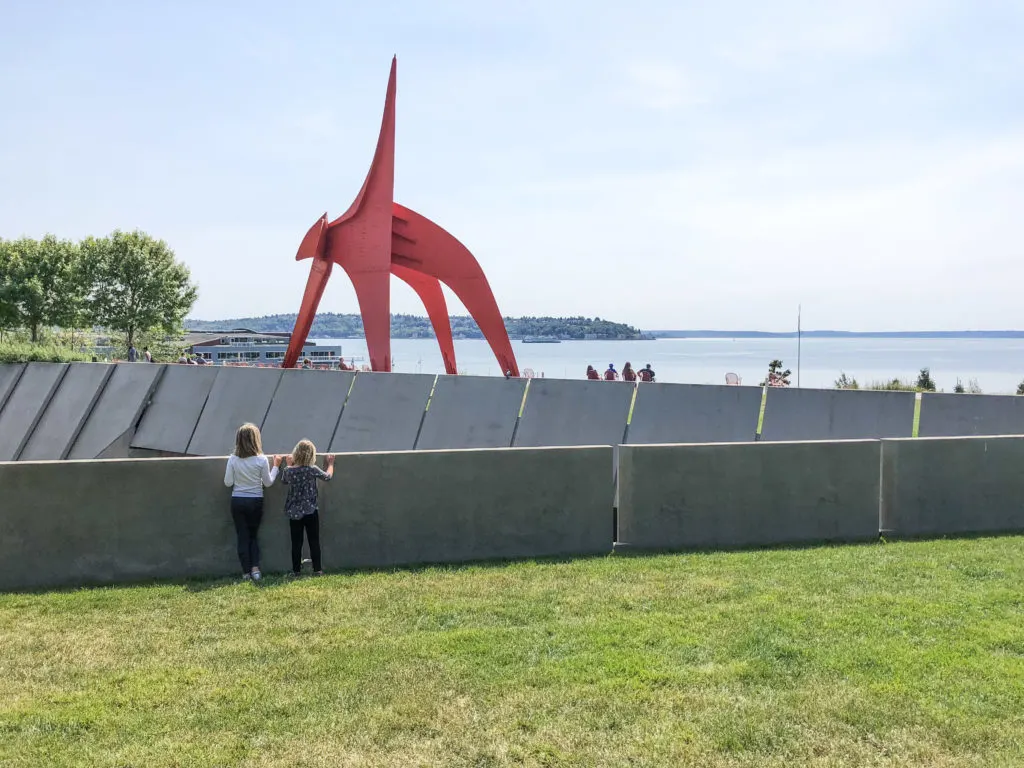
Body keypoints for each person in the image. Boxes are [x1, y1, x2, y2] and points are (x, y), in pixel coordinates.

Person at [223, 423, 281, 582]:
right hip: (256, 500)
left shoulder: (233, 459)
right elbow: (268, 482)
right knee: (253, 536)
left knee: (242, 536)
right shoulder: (261, 460)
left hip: (238, 501)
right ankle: (256, 570)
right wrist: (276, 466)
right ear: (256, 439)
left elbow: (228, 483)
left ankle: (245, 572)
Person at [281, 439, 334, 576]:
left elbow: (284, 481)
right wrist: (330, 464)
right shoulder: (312, 470)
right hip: (311, 510)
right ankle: (318, 569)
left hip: (294, 512)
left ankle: (296, 570)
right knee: (314, 540)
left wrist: (289, 464)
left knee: (296, 542)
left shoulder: (288, 471)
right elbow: (327, 477)